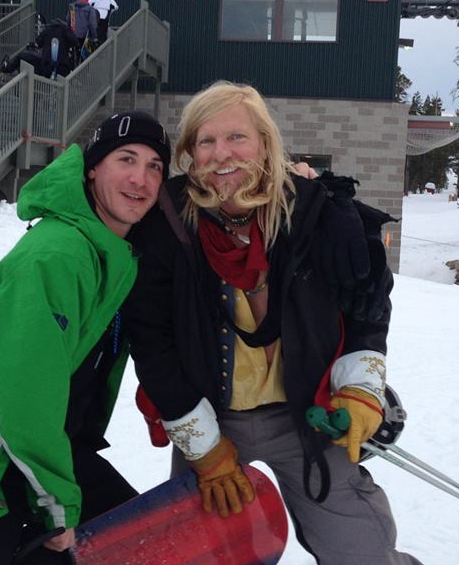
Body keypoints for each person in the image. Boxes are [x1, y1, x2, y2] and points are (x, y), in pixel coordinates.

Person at [125, 81, 420, 564]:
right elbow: (151, 341)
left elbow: (366, 302)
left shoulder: (316, 212)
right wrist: (203, 448)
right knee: (203, 556)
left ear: (265, 142)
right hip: (212, 421)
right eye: (206, 141)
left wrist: (360, 388)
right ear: (190, 153)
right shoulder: (166, 223)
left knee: (359, 550)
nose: (222, 154)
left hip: (306, 416)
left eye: (237, 137)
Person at [0, 111, 171, 565]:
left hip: (43, 452)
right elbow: (27, 397)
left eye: (154, 166)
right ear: (92, 169)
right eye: (126, 159)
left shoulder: (114, 254)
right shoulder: (59, 255)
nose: (140, 178)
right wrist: (58, 506)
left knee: (146, 543)